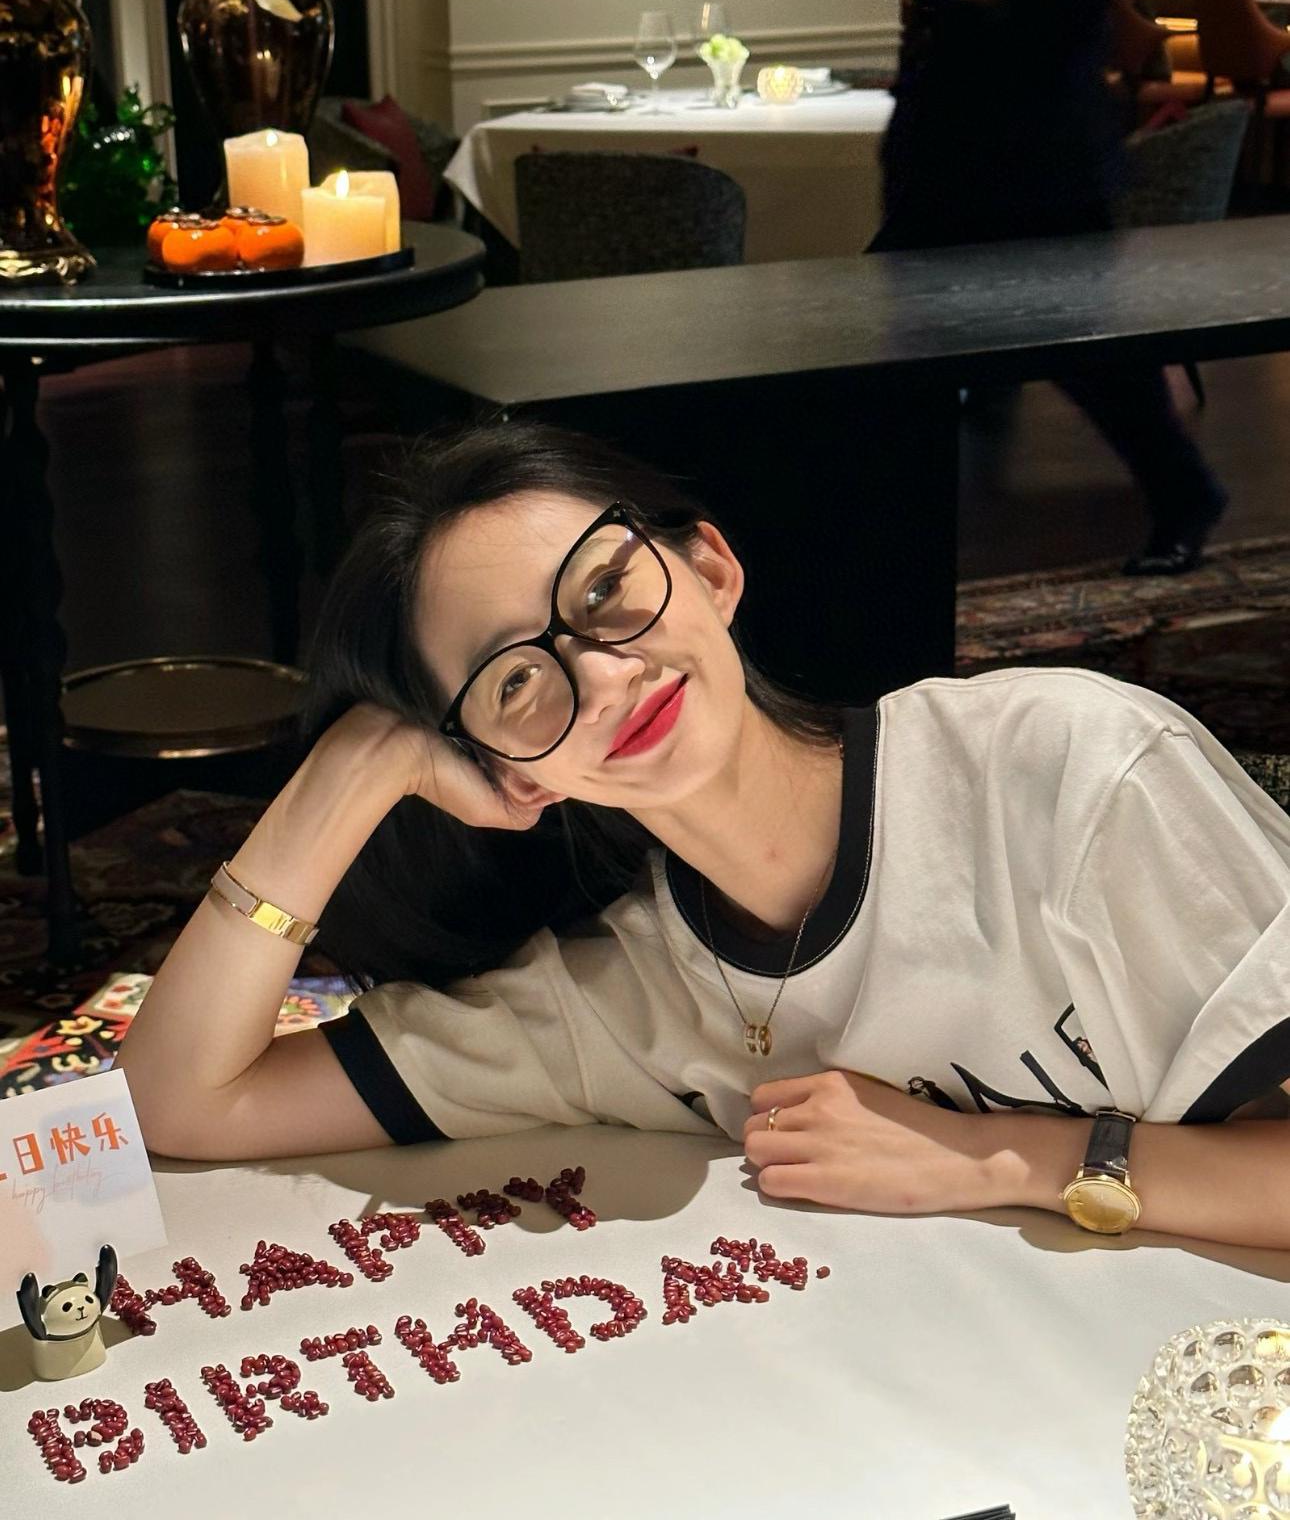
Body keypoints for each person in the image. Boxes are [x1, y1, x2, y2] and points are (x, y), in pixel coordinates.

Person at [115, 420, 1290, 1249]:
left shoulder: (1066, 772)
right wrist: (353, 769)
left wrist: (1002, 1158)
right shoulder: (622, 1005)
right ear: (503, 769)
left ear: (712, 568)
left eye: (603, 591)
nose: (602, 674)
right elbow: (179, 1098)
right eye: (514, 681)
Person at [874, 0, 1229, 575]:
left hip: (1036, 147)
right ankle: (886, 534)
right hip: (943, 142)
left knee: (1087, 348)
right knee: (890, 329)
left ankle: (1184, 493)